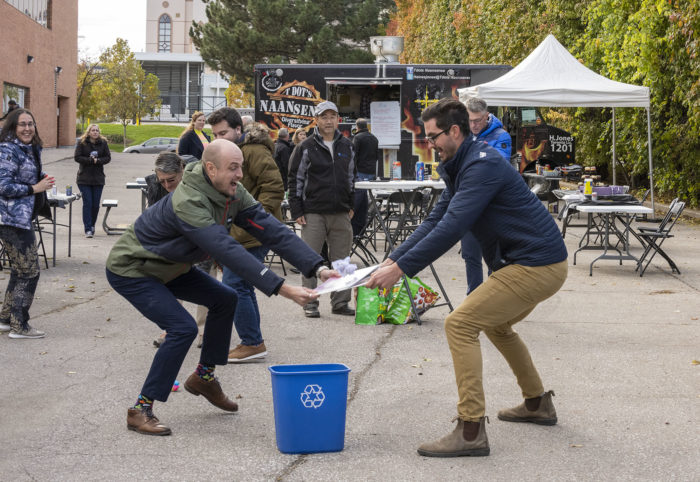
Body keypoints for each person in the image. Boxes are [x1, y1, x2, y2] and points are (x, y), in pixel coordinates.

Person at [366, 98, 568, 457]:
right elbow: (433, 221)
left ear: (455, 131)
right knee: (497, 326)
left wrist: (400, 271)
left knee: (459, 324)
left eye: (433, 137)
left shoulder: (481, 166)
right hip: (532, 262)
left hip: (536, 264)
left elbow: (452, 228)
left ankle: (471, 430)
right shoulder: (464, 165)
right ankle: (537, 403)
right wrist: (393, 259)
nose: (430, 145)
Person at [106, 139, 338, 436]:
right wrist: (283, 288)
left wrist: (317, 267)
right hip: (133, 268)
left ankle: (204, 377)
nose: (240, 174)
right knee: (183, 328)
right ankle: (140, 409)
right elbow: (227, 250)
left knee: (225, 298)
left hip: (170, 265)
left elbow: (271, 228)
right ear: (211, 168)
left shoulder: (230, 190)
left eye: (240, 166)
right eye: (233, 168)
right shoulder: (188, 200)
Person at [207, 107, 285, 363]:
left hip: (253, 233)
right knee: (242, 285)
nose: (218, 138)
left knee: (234, 284)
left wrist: (255, 220)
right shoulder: (228, 152)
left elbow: (274, 187)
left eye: (223, 133)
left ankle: (252, 343)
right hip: (238, 232)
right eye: (214, 134)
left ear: (239, 130)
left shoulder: (252, 151)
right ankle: (253, 341)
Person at [288, 101, 355, 318]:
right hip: (313, 212)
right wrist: (297, 210)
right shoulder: (305, 147)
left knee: (342, 260)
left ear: (338, 120)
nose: (328, 121)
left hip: (340, 212)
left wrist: (351, 205)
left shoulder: (347, 146)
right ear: (316, 120)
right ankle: (310, 301)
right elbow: (294, 179)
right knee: (310, 258)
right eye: (324, 117)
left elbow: (351, 178)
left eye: (332, 116)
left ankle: (340, 302)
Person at [0, 108, 55, 339]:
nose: (27, 128)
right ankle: (20, 325)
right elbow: (3, 186)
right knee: (30, 272)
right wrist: (35, 188)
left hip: (20, 218)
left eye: (30, 124)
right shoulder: (8, 150)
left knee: (19, 270)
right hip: (11, 220)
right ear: (12, 127)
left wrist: (39, 180)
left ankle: (5, 319)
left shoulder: (28, 148)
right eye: (21, 124)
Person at [460, 97, 512, 294]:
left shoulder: (501, 136)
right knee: (470, 257)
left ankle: (493, 299)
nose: (473, 125)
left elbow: (498, 168)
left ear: (487, 116)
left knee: (494, 259)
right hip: (469, 206)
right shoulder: (463, 135)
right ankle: (473, 299)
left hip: (492, 208)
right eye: (470, 120)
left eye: (478, 121)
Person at [74, 124, 111, 238]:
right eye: (93, 130)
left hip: (98, 179)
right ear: (89, 132)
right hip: (84, 178)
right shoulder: (82, 142)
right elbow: (77, 157)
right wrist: (90, 160)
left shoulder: (103, 143)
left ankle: (92, 225)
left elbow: (108, 158)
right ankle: (88, 228)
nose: (95, 132)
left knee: (95, 205)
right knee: (88, 204)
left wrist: (98, 161)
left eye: (97, 130)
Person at [351, 118, 380, 236]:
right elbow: (377, 156)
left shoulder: (357, 138)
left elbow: (354, 155)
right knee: (367, 199)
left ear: (357, 126)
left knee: (358, 201)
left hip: (360, 171)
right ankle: (362, 227)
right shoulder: (374, 138)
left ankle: (355, 229)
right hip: (371, 171)